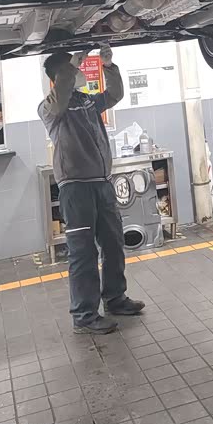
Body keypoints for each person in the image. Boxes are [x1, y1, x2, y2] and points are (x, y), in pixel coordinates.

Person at [39, 44, 144, 334]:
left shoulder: (86, 101)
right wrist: (69, 66)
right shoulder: (50, 108)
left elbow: (114, 95)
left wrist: (109, 66)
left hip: (101, 183)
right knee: (83, 253)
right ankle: (84, 315)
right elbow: (59, 99)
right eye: (73, 68)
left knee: (113, 243)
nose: (80, 71)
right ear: (59, 76)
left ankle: (115, 298)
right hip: (76, 189)